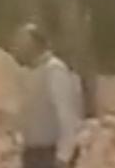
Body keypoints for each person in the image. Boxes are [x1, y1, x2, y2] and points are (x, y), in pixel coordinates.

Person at [13, 23, 83, 168]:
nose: (17, 48)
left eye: (22, 43)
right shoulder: (29, 72)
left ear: (35, 45)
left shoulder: (54, 70)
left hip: (50, 153)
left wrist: (63, 156)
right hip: (34, 154)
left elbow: (67, 116)